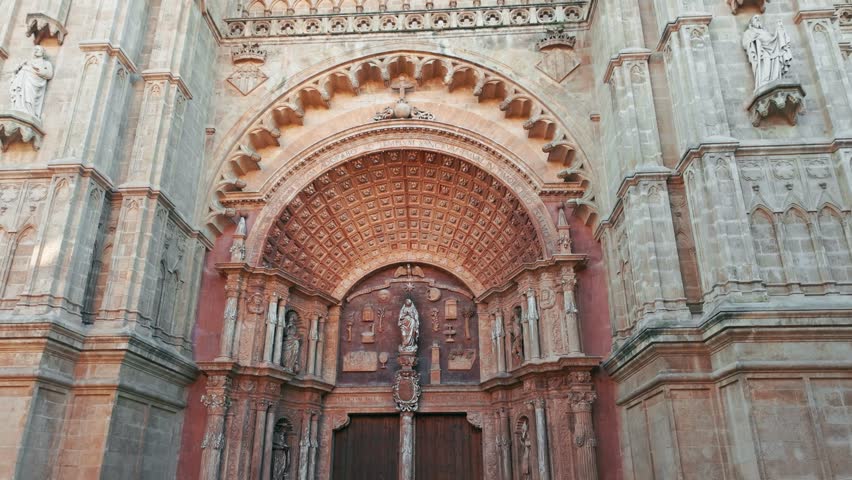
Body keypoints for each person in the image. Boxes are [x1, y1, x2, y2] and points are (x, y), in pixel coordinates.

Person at [742, 16, 792, 91]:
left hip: (772, 49)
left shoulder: (765, 31)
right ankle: (764, 81)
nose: (758, 19)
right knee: (766, 63)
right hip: (762, 52)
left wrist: (779, 30)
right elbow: (745, 44)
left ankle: (774, 79)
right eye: (755, 18)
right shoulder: (749, 32)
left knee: (775, 62)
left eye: (758, 18)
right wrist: (754, 41)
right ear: (751, 23)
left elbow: (772, 40)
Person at [9, 46, 54, 120]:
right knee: (20, 92)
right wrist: (20, 66)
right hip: (22, 79)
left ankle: (29, 110)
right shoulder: (27, 61)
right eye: (35, 49)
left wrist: (38, 70)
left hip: (34, 81)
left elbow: (49, 74)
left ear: (43, 53)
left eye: (38, 49)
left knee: (29, 95)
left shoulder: (46, 63)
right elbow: (15, 70)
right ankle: (18, 107)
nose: (36, 51)